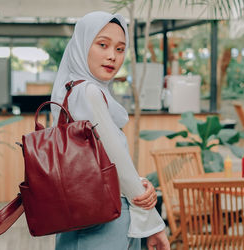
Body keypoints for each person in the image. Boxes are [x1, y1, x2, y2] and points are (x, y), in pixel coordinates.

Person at [50, 11, 170, 250]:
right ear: (82, 45)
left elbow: (96, 162)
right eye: (102, 45)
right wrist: (154, 224)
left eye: (119, 49)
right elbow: (117, 161)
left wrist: (137, 182)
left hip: (82, 215)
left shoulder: (70, 90)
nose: (112, 56)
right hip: (106, 220)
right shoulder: (88, 92)